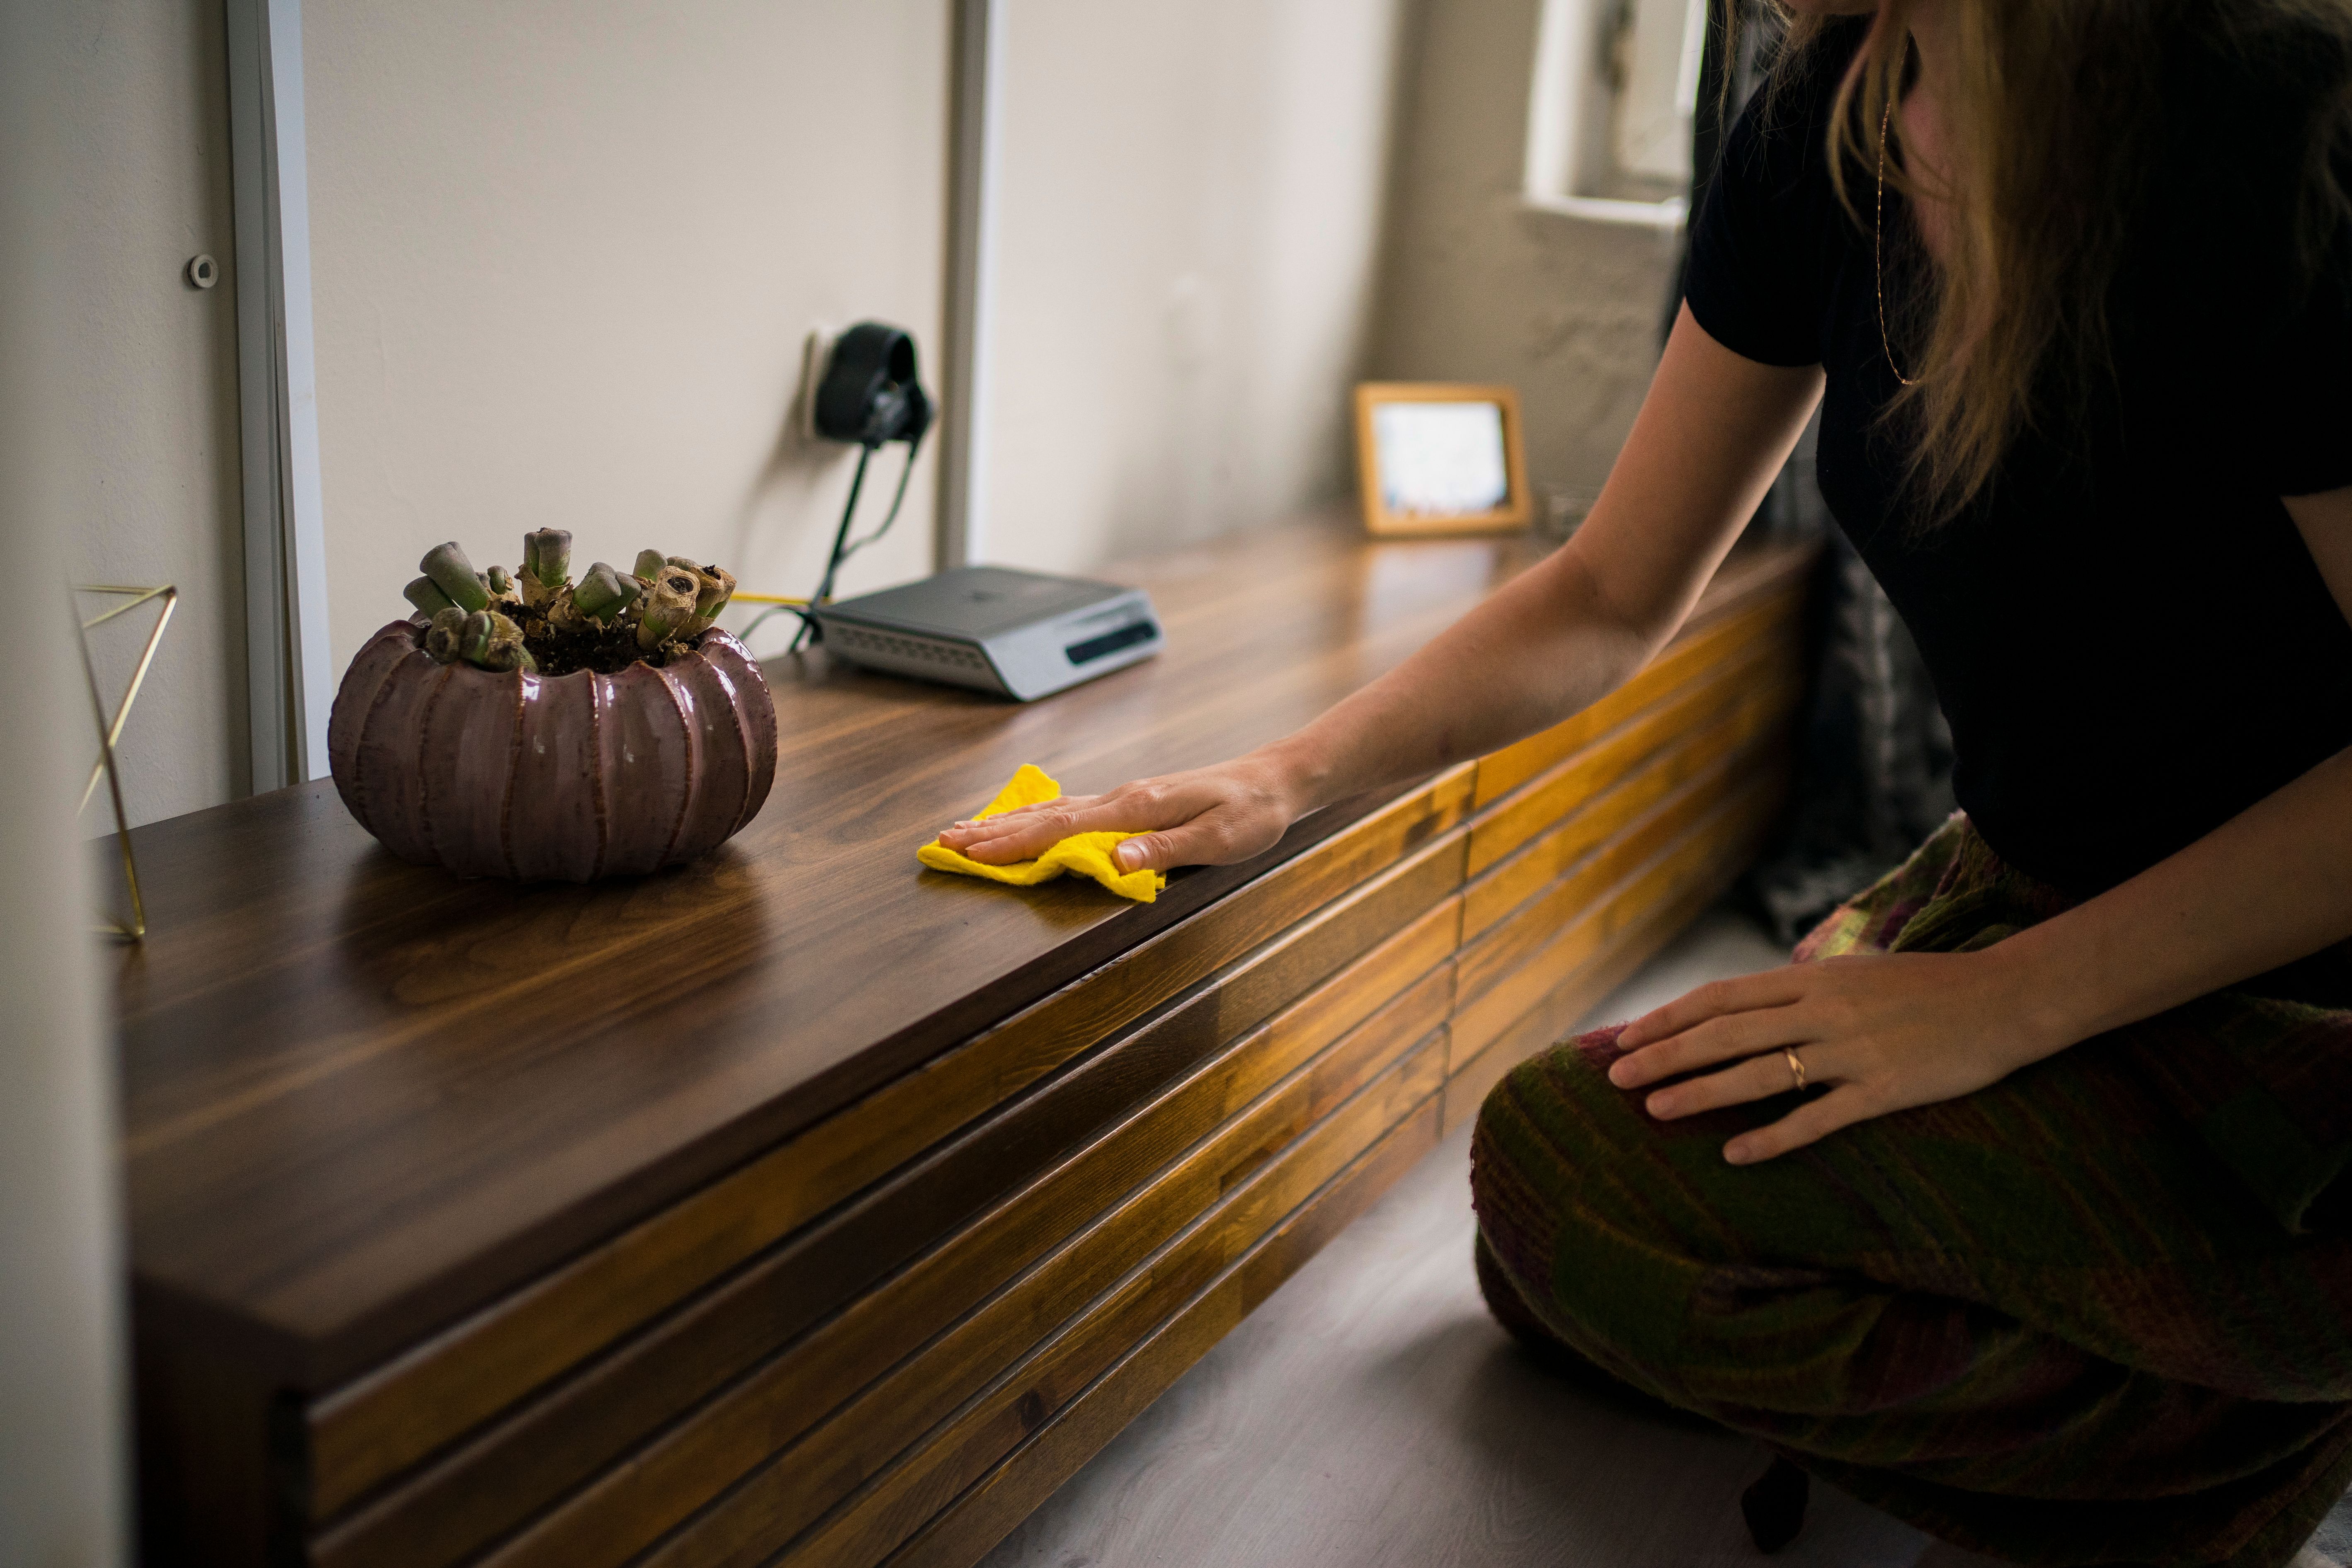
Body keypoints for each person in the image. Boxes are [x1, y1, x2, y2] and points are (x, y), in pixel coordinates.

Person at [933, 1, 2352, 1561]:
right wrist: (1286, 772)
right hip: (2039, 893)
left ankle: (2256, 1421)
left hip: (2290, 981)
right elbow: (1611, 590)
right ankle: (2230, 1361)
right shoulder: (1827, 118)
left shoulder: (2277, 125)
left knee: (1577, 1191)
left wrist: (2007, 1004)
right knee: (1564, 1229)